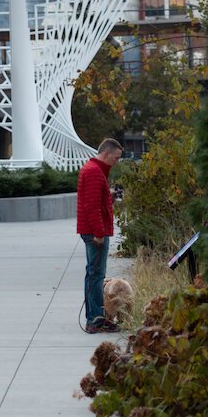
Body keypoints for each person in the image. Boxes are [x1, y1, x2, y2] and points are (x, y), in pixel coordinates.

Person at [77, 138, 124, 334]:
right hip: (95, 232)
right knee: (96, 276)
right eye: (116, 157)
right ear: (106, 153)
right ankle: (94, 319)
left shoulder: (94, 170)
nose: (117, 161)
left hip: (93, 230)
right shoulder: (95, 172)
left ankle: (96, 317)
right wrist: (98, 233)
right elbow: (92, 206)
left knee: (94, 275)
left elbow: (94, 201)